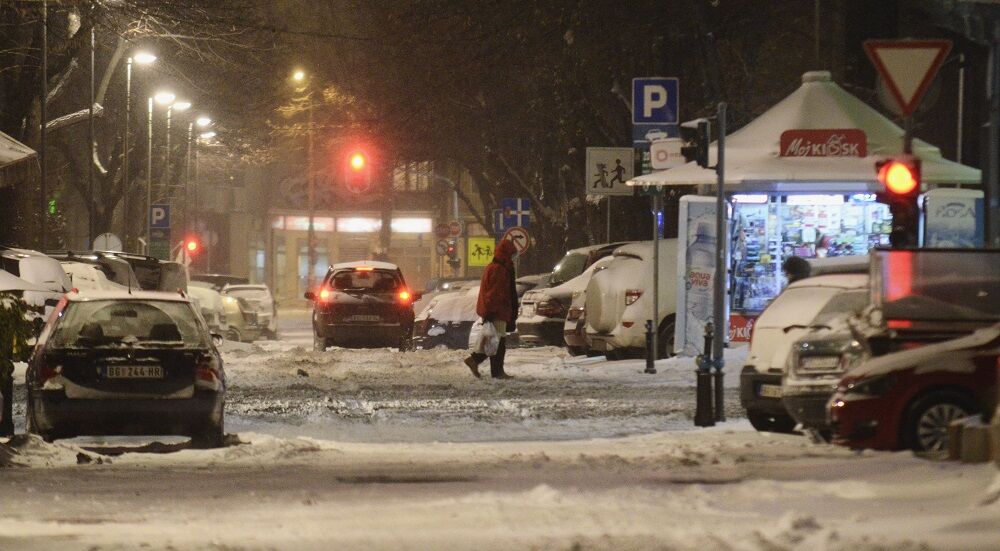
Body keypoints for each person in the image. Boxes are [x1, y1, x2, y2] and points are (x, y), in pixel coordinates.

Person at [464, 238, 518, 379]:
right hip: (498, 311)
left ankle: (474, 360)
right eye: (512, 254)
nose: (513, 258)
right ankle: (496, 371)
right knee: (498, 342)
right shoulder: (500, 270)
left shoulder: (494, 267)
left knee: (492, 340)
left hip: (495, 310)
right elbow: (497, 293)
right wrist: (495, 311)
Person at [1, 293, 32, 437]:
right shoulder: (11, 308)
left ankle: (7, 425)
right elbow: (21, 334)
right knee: (7, 391)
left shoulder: (8, 307)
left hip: (4, 362)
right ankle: (7, 425)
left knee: (7, 389)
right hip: (4, 362)